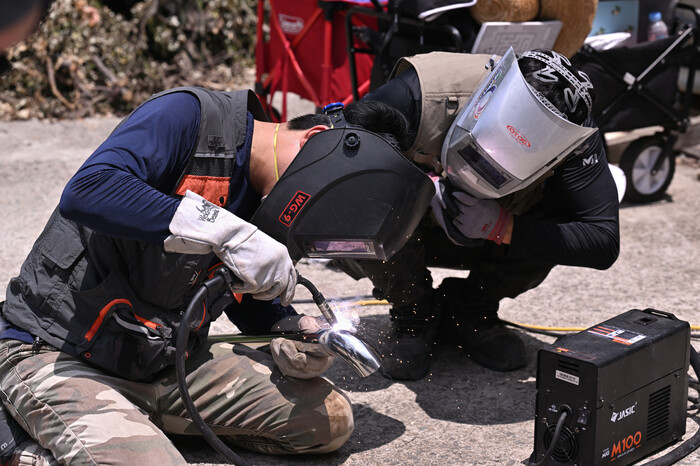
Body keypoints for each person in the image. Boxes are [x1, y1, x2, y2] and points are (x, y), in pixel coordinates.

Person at [0, 87, 411, 464]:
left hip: (161, 360)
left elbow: (245, 298)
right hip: (56, 350)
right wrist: (222, 228)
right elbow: (88, 190)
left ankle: (123, 427)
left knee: (328, 421)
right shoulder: (187, 117)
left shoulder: (270, 197)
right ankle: (25, 445)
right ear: (311, 139)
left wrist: (292, 330)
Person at [335, 49, 621, 381]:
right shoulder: (422, 92)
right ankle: (413, 313)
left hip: (485, 233)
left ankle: (469, 309)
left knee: (563, 215)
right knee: (354, 195)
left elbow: (602, 240)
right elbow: (335, 161)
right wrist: (419, 186)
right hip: (408, 230)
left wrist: (503, 226)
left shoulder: (574, 135)